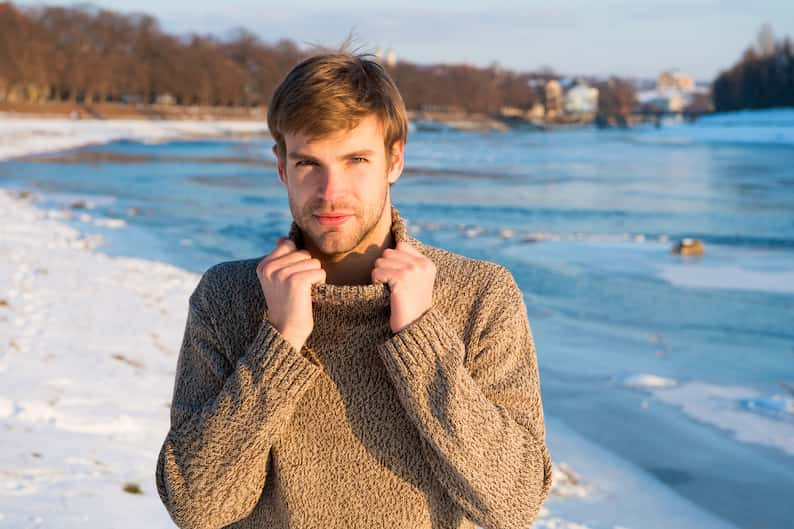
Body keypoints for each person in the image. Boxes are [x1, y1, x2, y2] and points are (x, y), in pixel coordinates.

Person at [155, 50, 553, 529]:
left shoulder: (480, 294)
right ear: (281, 167)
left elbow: (513, 504)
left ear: (395, 159)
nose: (330, 192)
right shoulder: (228, 296)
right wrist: (278, 344)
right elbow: (197, 506)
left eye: (356, 159)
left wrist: (423, 341)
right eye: (309, 163)